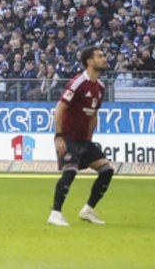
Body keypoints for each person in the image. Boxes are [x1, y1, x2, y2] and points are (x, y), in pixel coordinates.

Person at [48, 45, 114, 227]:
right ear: (89, 61)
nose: (104, 58)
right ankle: (55, 213)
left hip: (84, 140)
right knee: (70, 172)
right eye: (100, 56)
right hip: (68, 137)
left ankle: (88, 210)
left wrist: (89, 139)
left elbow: (93, 115)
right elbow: (60, 108)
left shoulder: (100, 87)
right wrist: (59, 136)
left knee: (106, 171)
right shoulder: (78, 82)